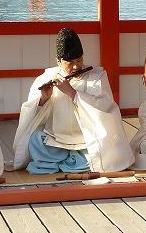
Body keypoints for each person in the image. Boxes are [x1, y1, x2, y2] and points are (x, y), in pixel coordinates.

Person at [11, 28, 132, 174]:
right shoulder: (48, 77)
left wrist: (72, 93)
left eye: (79, 60)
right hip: (55, 140)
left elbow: (104, 108)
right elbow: (30, 116)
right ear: (59, 61)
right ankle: (69, 163)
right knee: (34, 140)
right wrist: (43, 99)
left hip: (85, 141)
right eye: (70, 62)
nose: (76, 66)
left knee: (101, 154)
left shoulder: (96, 76)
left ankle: (61, 163)